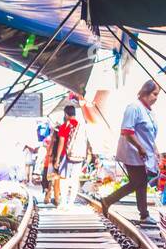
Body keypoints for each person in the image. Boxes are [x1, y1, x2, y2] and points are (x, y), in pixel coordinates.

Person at [98, 80, 159, 224]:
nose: (156, 98)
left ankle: (143, 214)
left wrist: (155, 150)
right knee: (138, 182)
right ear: (146, 93)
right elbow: (127, 131)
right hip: (133, 152)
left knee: (140, 182)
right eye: (155, 94)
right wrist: (140, 147)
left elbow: (149, 134)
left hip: (143, 153)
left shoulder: (148, 111)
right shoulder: (134, 108)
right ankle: (108, 200)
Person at [54, 104, 83, 209]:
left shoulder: (65, 126)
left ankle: (64, 202)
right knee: (75, 180)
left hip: (66, 156)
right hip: (79, 156)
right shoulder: (80, 125)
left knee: (63, 179)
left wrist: (57, 159)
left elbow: (61, 143)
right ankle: (71, 203)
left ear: (66, 114)